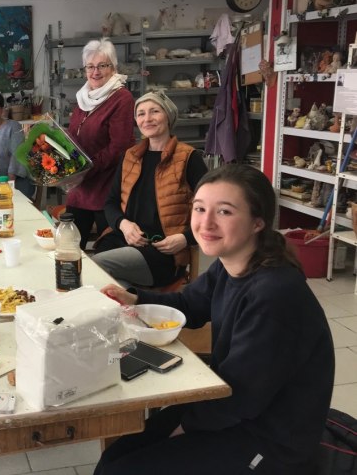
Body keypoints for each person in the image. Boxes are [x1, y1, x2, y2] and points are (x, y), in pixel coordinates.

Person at [96, 164, 335, 475]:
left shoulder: (274, 295)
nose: (206, 223)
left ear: (258, 222)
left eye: (224, 211)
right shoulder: (230, 264)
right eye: (199, 208)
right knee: (115, 456)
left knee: (122, 470)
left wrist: (181, 430)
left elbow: (241, 397)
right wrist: (134, 299)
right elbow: (189, 305)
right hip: (230, 405)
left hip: (270, 439)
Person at [91, 91, 208, 287]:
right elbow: (110, 203)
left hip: (162, 249)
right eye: (141, 114)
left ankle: (133, 300)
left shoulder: (188, 158)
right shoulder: (130, 156)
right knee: (109, 283)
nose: (147, 119)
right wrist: (124, 225)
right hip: (123, 239)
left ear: (168, 116)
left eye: (155, 111)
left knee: (94, 267)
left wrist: (185, 238)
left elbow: (211, 209)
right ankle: (135, 302)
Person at [65, 38, 135, 249]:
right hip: (80, 189)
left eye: (102, 66)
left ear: (113, 68)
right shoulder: (83, 98)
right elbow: (74, 135)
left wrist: (86, 169)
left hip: (106, 188)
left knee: (107, 251)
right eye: (90, 66)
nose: (95, 72)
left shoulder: (121, 98)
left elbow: (119, 146)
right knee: (70, 248)